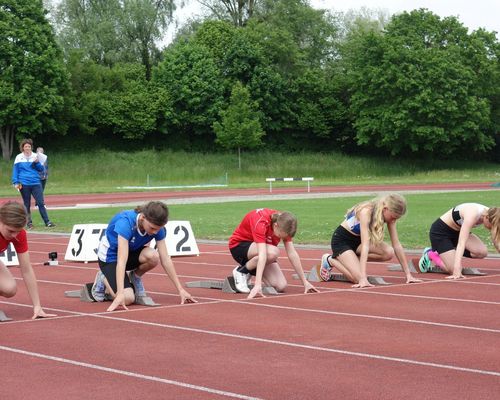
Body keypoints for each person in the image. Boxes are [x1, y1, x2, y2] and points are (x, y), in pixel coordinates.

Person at [93, 201, 196, 311]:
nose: (155, 232)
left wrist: (180, 289)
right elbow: (121, 261)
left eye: (158, 229)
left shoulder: (157, 229)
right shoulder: (125, 223)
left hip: (130, 253)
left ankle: (135, 277)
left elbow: (165, 259)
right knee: (128, 298)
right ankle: (103, 277)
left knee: (153, 256)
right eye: (152, 228)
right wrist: (120, 294)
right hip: (110, 258)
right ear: (142, 218)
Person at [319, 193, 421, 288]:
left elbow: (396, 244)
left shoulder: (389, 216)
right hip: (342, 241)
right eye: (393, 217)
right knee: (357, 279)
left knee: (389, 252)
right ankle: (330, 260)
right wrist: (363, 278)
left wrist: (408, 275)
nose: (393, 220)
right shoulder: (366, 212)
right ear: (385, 209)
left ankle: (352, 260)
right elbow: (365, 245)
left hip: (358, 242)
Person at [229, 208, 319, 299]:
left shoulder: (284, 224)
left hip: (262, 251)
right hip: (239, 246)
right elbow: (263, 254)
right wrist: (257, 284)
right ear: (275, 226)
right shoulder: (261, 223)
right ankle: (241, 271)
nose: (281, 238)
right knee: (273, 252)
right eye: (280, 236)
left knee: (280, 286)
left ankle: (247, 269)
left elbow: (292, 254)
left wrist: (305, 282)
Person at [0, 201, 56, 319]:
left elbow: (26, 269)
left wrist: (37, 306)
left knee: (9, 288)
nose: (14, 235)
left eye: (18, 231)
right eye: (10, 231)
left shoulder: (19, 234)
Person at [419, 204, 500, 279]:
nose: (491, 228)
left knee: (482, 252)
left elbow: (496, 239)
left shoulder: (493, 214)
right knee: (453, 269)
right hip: (441, 232)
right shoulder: (472, 214)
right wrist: (456, 269)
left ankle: (447, 251)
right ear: (486, 217)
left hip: (457, 232)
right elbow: (462, 243)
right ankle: (431, 254)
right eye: (491, 225)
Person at [11, 139, 55, 229]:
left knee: (40, 202)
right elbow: (15, 171)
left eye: (29, 146)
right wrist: (15, 182)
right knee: (26, 203)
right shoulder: (18, 157)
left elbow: (41, 169)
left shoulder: (36, 156)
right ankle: (29, 223)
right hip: (24, 183)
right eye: (26, 146)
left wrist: (37, 162)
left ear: (31, 147)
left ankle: (47, 222)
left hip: (35, 182)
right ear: (23, 147)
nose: (27, 148)